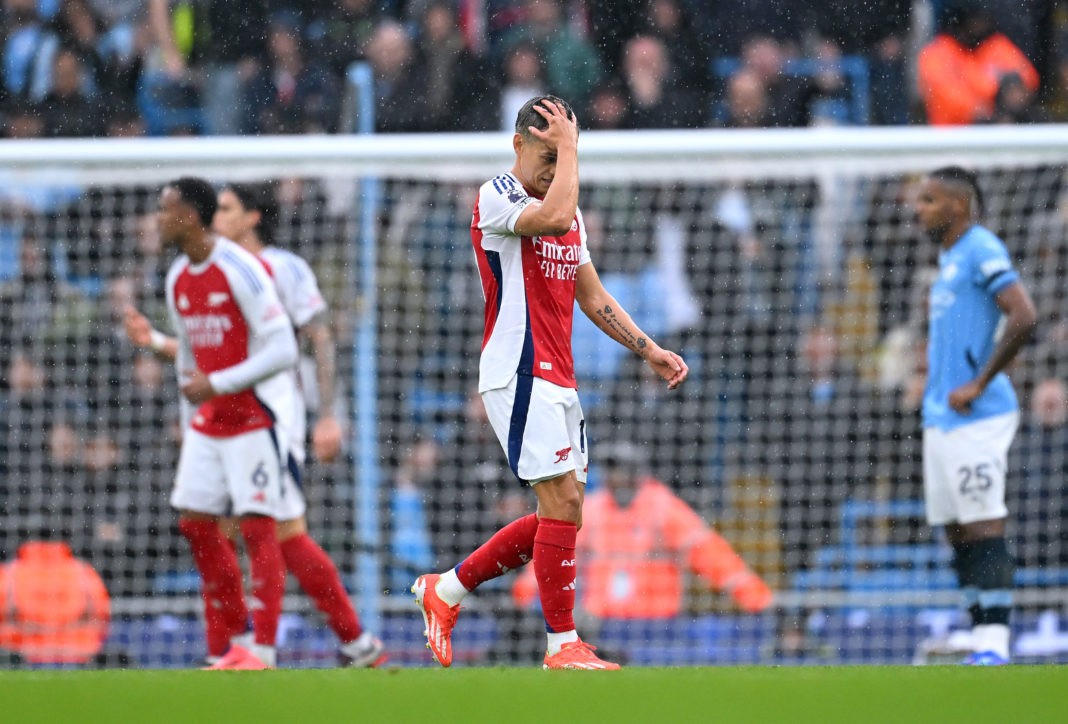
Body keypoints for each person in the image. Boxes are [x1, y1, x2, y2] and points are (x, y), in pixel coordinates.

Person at [412, 95, 689, 671]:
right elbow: (556, 216)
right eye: (548, 152)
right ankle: (563, 645)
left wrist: (649, 349)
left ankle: (447, 590)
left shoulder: (570, 208)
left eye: (562, 153)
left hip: (560, 377)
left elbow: (592, 295)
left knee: (561, 514)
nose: (555, 165)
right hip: (516, 371)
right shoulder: (498, 195)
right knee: (561, 502)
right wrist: (573, 151)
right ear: (519, 145)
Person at [125, 182, 385, 668]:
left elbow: (315, 337)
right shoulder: (189, 272)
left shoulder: (280, 268)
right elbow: (200, 352)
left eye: (227, 209)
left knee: (268, 528)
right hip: (223, 411)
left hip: (272, 413)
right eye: (215, 208)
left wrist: (325, 413)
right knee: (248, 529)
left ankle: (247, 646)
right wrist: (160, 346)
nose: (219, 217)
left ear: (251, 217)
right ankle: (335, 643)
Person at [155, 176, 299, 669]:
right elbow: (188, 360)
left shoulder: (241, 268)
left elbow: (285, 349)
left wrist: (218, 384)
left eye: (165, 209)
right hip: (208, 423)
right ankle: (238, 634)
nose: (157, 219)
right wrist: (189, 414)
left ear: (191, 216)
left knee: (260, 530)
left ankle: (263, 649)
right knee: (195, 524)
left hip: (254, 419)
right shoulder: (177, 278)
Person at [914, 166, 1038, 665]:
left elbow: (1024, 313)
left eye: (928, 200)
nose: (917, 209)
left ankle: (995, 642)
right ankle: (977, 631)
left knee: (984, 523)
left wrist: (979, 382)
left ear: (958, 206)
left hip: (979, 414)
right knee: (957, 528)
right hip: (942, 417)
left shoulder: (981, 247)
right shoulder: (948, 258)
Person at [511, 442, 772, 619]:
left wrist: (757, 599)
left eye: (619, 469)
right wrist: (525, 595)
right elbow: (552, 557)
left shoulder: (663, 508)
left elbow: (713, 557)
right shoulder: (592, 509)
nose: (613, 475)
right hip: (602, 625)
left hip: (656, 626)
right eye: (610, 469)